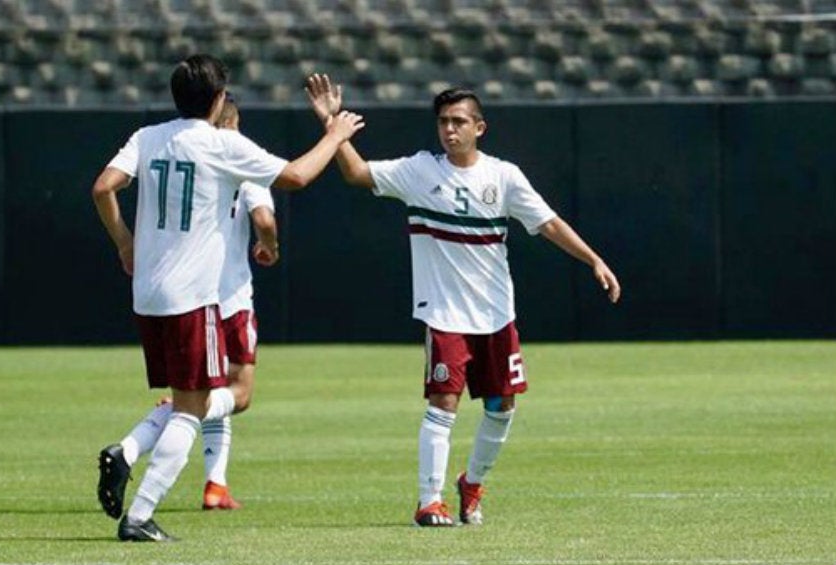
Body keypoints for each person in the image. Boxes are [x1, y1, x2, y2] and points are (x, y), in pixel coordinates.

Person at [304, 74, 620, 527]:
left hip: (496, 313)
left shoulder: (503, 176)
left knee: (502, 408)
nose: (449, 130)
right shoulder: (419, 171)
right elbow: (356, 173)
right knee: (443, 404)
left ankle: (472, 482)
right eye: (443, 123)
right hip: (444, 313)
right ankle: (429, 501)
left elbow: (548, 223)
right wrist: (332, 123)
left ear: (479, 128)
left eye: (458, 122)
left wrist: (593, 260)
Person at [92, 55, 364, 542]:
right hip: (192, 296)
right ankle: (139, 515)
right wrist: (335, 135)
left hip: (147, 294)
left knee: (186, 402)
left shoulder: (147, 136)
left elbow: (103, 188)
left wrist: (124, 242)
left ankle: (133, 457)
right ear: (219, 99)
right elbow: (297, 177)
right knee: (191, 410)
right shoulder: (221, 144)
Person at [96, 95, 278, 517]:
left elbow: (105, 186)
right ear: (228, 123)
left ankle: (216, 482)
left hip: (173, 294)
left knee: (206, 390)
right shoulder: (237, 156)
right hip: (223, 298)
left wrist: (126, 243)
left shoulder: (168, 150)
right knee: (236, 393)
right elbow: (265, 219)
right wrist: (269, 245)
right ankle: (139, 453)